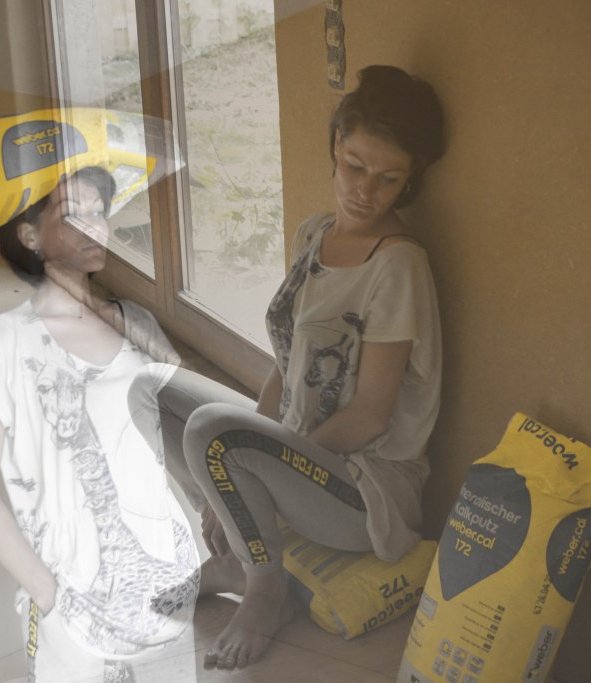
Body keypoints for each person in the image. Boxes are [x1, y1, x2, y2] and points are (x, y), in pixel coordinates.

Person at [128, 64, 445, 670]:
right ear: (336, 144)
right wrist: (231, 476)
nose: (365, 191)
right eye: (355, 165)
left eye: (389, 179)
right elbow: (285, 363)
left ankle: (264, 591)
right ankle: (237, 555)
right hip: (303, 457)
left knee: (214, 435)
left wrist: (260, 466)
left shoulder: (399, 266)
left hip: (362, 489)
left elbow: (371, 417)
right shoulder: (314, 234)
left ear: (409, 181)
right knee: (150, 391)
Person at [0, 166, 198, 682]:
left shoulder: (137, 324)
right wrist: (49, 596)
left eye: (99, 212)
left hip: (165, 579)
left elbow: (176, 428)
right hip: (70, 593)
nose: (93, 226)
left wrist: (213, 513)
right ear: (30, 235)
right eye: (72, 215)